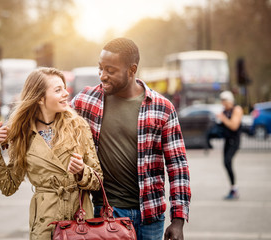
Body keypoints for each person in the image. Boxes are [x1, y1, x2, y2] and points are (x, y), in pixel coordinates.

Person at [71, 38, 191, 240]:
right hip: (107, 213)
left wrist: (178, 220)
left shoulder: (162, 108)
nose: (103, 76)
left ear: (131, 70)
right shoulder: (86, 101)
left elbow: (177, 166)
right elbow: (53, 120)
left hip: (150, 217)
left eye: (110, 70)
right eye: (100, 68)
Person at [0, 67, 103, 239]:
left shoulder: (78, 126)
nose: (66, 94)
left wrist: (82, 171)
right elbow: (8, 186)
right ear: (40, 98)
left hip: (80, 223)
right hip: (45, 225)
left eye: (64, 88)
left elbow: (98, 180)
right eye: (58, 90)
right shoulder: (21, 134)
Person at [217, 90, 243, 200]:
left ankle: (234, 189)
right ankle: (233, 188)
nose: (223, 104)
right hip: (227, 140)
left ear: (229, 101)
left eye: (224, 102)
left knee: (228, 161)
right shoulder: (225, 111)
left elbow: (234, 126)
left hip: (234, 141)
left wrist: (223, 118)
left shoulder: (237, 109)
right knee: (226, 163)